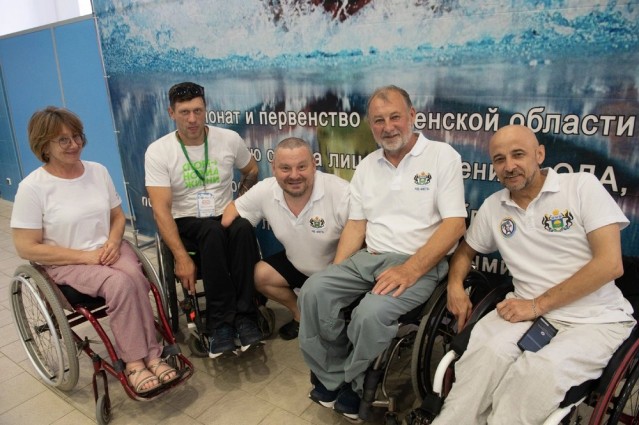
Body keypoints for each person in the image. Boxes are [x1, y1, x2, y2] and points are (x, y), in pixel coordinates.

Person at [434, 125, 635, 424]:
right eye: (499, 159)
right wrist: (454, 286)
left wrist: (536, 305)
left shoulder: (580, 187)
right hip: (523, 310)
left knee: (537, 375)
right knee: (483, 361)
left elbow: (610, 264)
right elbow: (465, 252)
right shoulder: (494, 207)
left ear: (539, 154)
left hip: (594, 318)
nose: (509, 166)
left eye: (518, 154)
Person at [298, 85, 467, 420]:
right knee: (314, 291)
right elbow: (356, 226)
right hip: (370, 257)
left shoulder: (441, 156)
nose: (388, 127)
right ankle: (333, 376)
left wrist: (411, 269)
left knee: (370, 314)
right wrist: (336, 270)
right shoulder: (367, 166)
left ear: (412, 116)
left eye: (395, 117)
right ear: (370, 125)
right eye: (379, 120)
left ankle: (356, 382)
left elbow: (455, 225)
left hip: (420, 261)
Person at [11, 106, 177, 394]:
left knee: (136, 279)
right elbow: (26, 247)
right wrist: (85, 257)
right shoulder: (33, 188)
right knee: (120, 283)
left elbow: (118, 217)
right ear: (44, 145)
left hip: (108, 249)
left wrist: (113, 242)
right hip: (67, 263)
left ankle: (152, 354)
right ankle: (135, 362)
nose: (74, 144)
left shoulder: (98, 171)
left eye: (77, 136)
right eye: (63, 140)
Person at [145, 82, 262, 358]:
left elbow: (252, 170)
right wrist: (181, 258)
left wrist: (238, 201)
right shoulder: (159, 151)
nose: (192, 119)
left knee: (243, 227)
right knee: (211, 231)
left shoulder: (228, 139)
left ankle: (246, 317)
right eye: (184, 112)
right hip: (186, 222)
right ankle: (220, 324)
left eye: (198, 111)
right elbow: (161, 211)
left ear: (206, 109)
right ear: (171, 113)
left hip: (222, 216)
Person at [222, 137, 350, 340]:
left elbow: (361, 236)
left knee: (334, 337)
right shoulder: (266, 189)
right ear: (273, 168)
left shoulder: (340, 191)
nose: (294, 175)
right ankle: (300, 315)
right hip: (299, 265)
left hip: (337, 270)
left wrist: (335, 276)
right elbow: (231, 212)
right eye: (285, 168)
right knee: (259, 276)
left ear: (314, 165)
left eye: (302, 167)